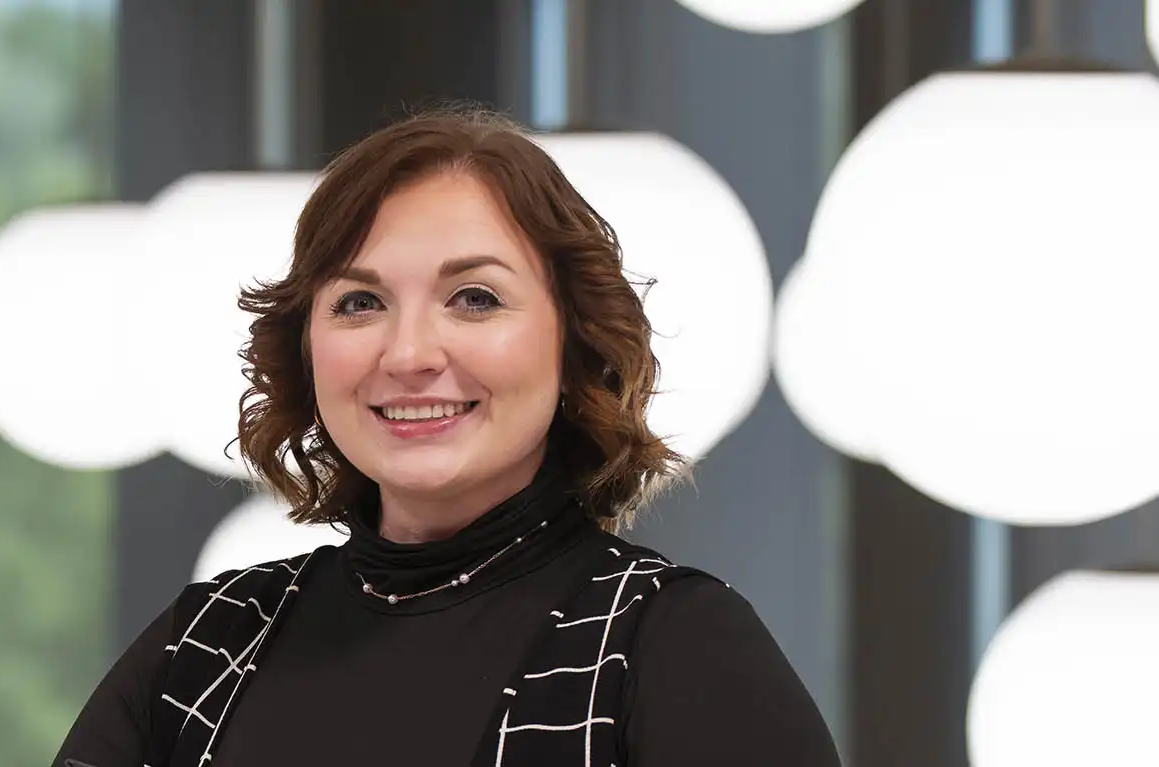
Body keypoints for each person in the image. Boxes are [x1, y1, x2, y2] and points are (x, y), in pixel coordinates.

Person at [53, 108, 840, 767]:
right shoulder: (209, 641)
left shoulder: (666, 642)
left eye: (474, 297)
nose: (409, 354)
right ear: (307, 348)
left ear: (573, 345)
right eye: (360, 303)